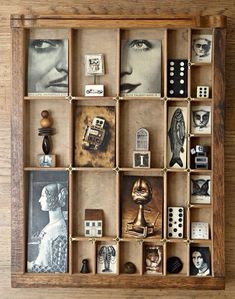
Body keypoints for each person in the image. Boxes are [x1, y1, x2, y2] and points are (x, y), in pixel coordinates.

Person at [27, 183, 68, 273]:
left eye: (43, 196)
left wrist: (31, 266)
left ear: (52, 199)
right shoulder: (51, 225)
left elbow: (60, 270)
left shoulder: (59, 230)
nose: (39, 200)